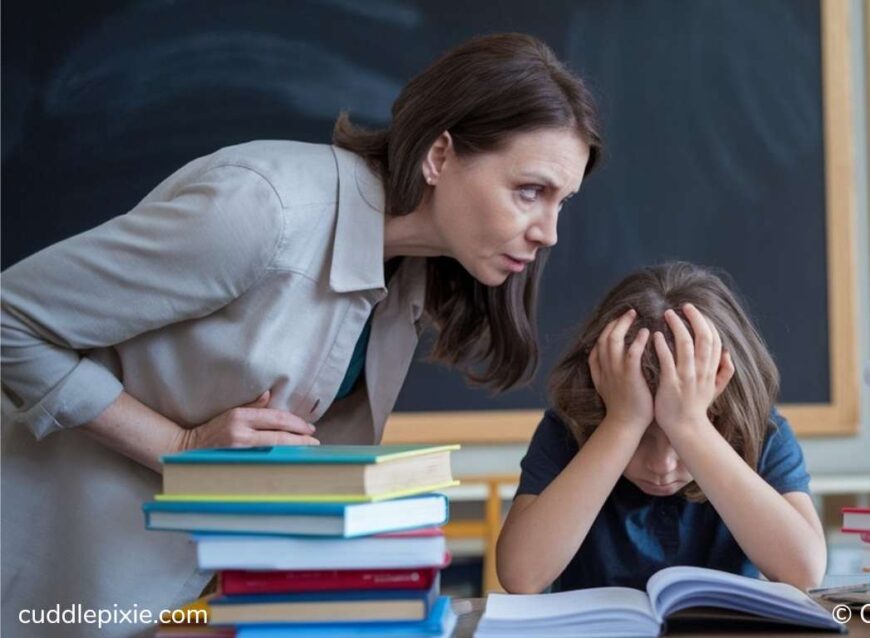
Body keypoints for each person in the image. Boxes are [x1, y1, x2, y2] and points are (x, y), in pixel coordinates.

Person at [0, 33, 601, 636]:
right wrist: (180, 446)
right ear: (440, 157)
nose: (548, 232)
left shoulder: (414, 275)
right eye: (530, 191)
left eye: (562, 203)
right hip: (54, 575)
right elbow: (8, 317)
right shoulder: (263, 210)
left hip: (185, 598)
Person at [496, 262, 826, 594]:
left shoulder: (760, 429)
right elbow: (521, 576)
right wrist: (622, 424)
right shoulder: (567, 429)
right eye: (642, 437)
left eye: (677, 439)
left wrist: (690, 425)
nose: (662, 465)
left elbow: (805, 570)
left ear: (726, 411)